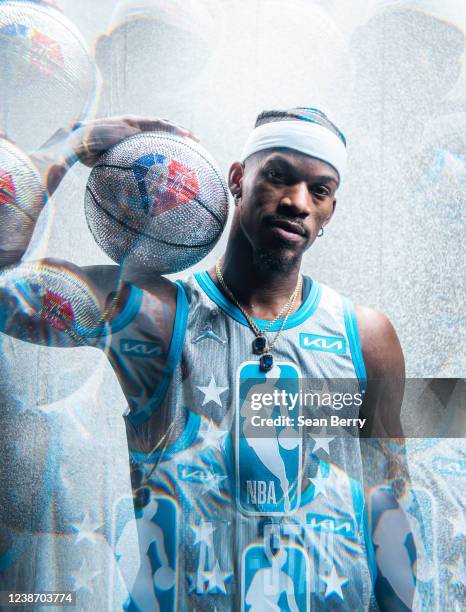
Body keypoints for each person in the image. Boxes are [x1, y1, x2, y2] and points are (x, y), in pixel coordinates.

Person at [0, 107, 406, 609]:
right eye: (278, 176)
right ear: (238, 178)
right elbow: (4, 287)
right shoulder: (156, 318)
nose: (297, 201)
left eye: (318, 190)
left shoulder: (364, 338)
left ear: (329, 211)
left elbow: (388, 503)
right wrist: (69, 144)